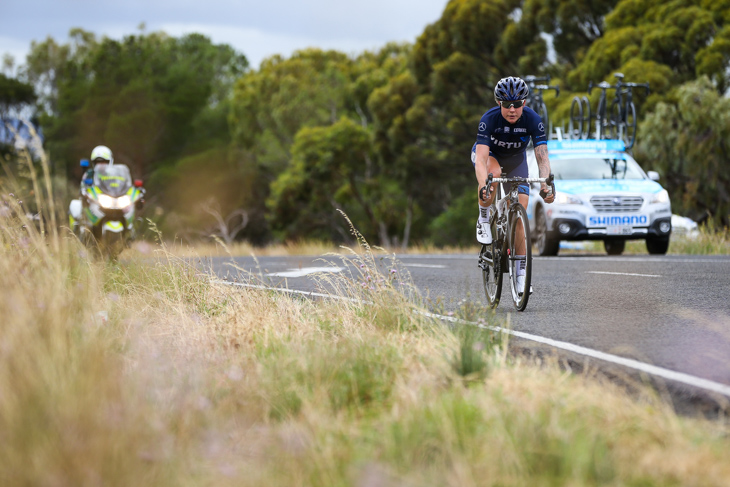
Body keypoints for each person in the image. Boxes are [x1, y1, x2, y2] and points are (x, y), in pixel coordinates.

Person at [472, 76, 555, 293]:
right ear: (499, 103)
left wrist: (546, 184)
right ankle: (483, 216)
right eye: (507, 104)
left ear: (524, 103)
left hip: (517, 162)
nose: (512, 109)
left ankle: (520, 274)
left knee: (520, 216)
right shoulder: (488, 119)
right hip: (490, 157)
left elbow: (542, 157)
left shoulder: (533, 119)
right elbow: (480, 159)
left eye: (517, 104)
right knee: (494, 173)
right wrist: (484, 185)